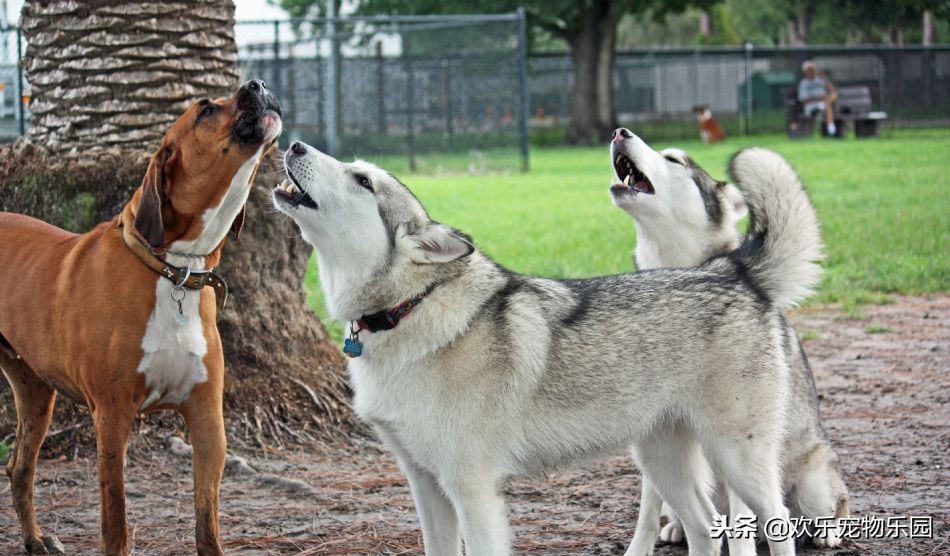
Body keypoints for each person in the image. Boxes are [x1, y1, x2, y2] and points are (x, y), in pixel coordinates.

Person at [798, 60, 838, 137]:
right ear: (806, 72)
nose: (812, 72)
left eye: (813, 70)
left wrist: (825, 78)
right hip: (812, 105)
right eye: (809, 70)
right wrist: (818, 98)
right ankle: (830, 127)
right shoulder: (804, 83)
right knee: (827, 105)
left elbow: (832, 89)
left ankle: (823, 105)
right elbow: (803, 100)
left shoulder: (820, 80)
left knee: (833, 95)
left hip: (825, 102)